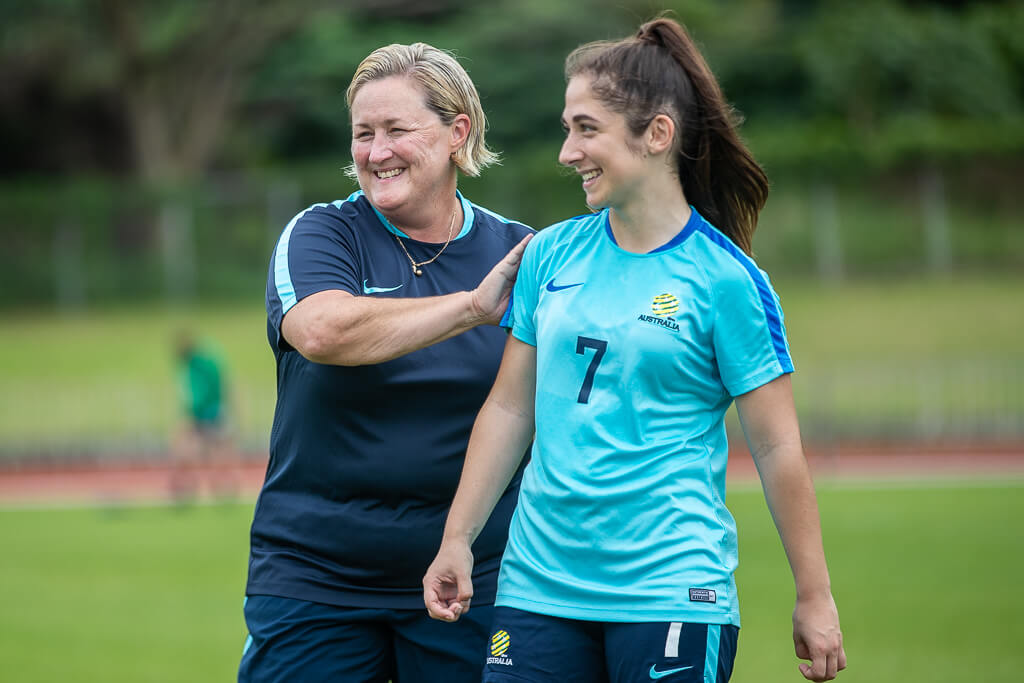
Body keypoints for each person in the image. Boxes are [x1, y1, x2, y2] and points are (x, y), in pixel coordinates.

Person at [424, 17, 846, 683]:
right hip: (538, 586)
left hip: (672, 593)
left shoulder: (727, 281)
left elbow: (778, 447)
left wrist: (814, 593)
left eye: (586, 128)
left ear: (657, 135)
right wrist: (457, 540)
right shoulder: (549, 254)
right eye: (568, 127)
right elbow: (509, 412)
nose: (567, 151)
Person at [238, 41, 533, 683]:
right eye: (363, 134)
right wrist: (472, 307)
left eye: (397, 129)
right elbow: (321, 329)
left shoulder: (521, 253)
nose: (376, 152)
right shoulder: (323, 233)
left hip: (475, 579)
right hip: (315, 581)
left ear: (459, 132)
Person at [170, 330, 236, 501]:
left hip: (208, 412)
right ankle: (190, 484)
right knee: (209, 450)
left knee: (214, 450)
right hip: (206, 411)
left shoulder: (200, 364)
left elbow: (206, 389)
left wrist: (194, 412)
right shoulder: (196, 363)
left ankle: (221, 486)